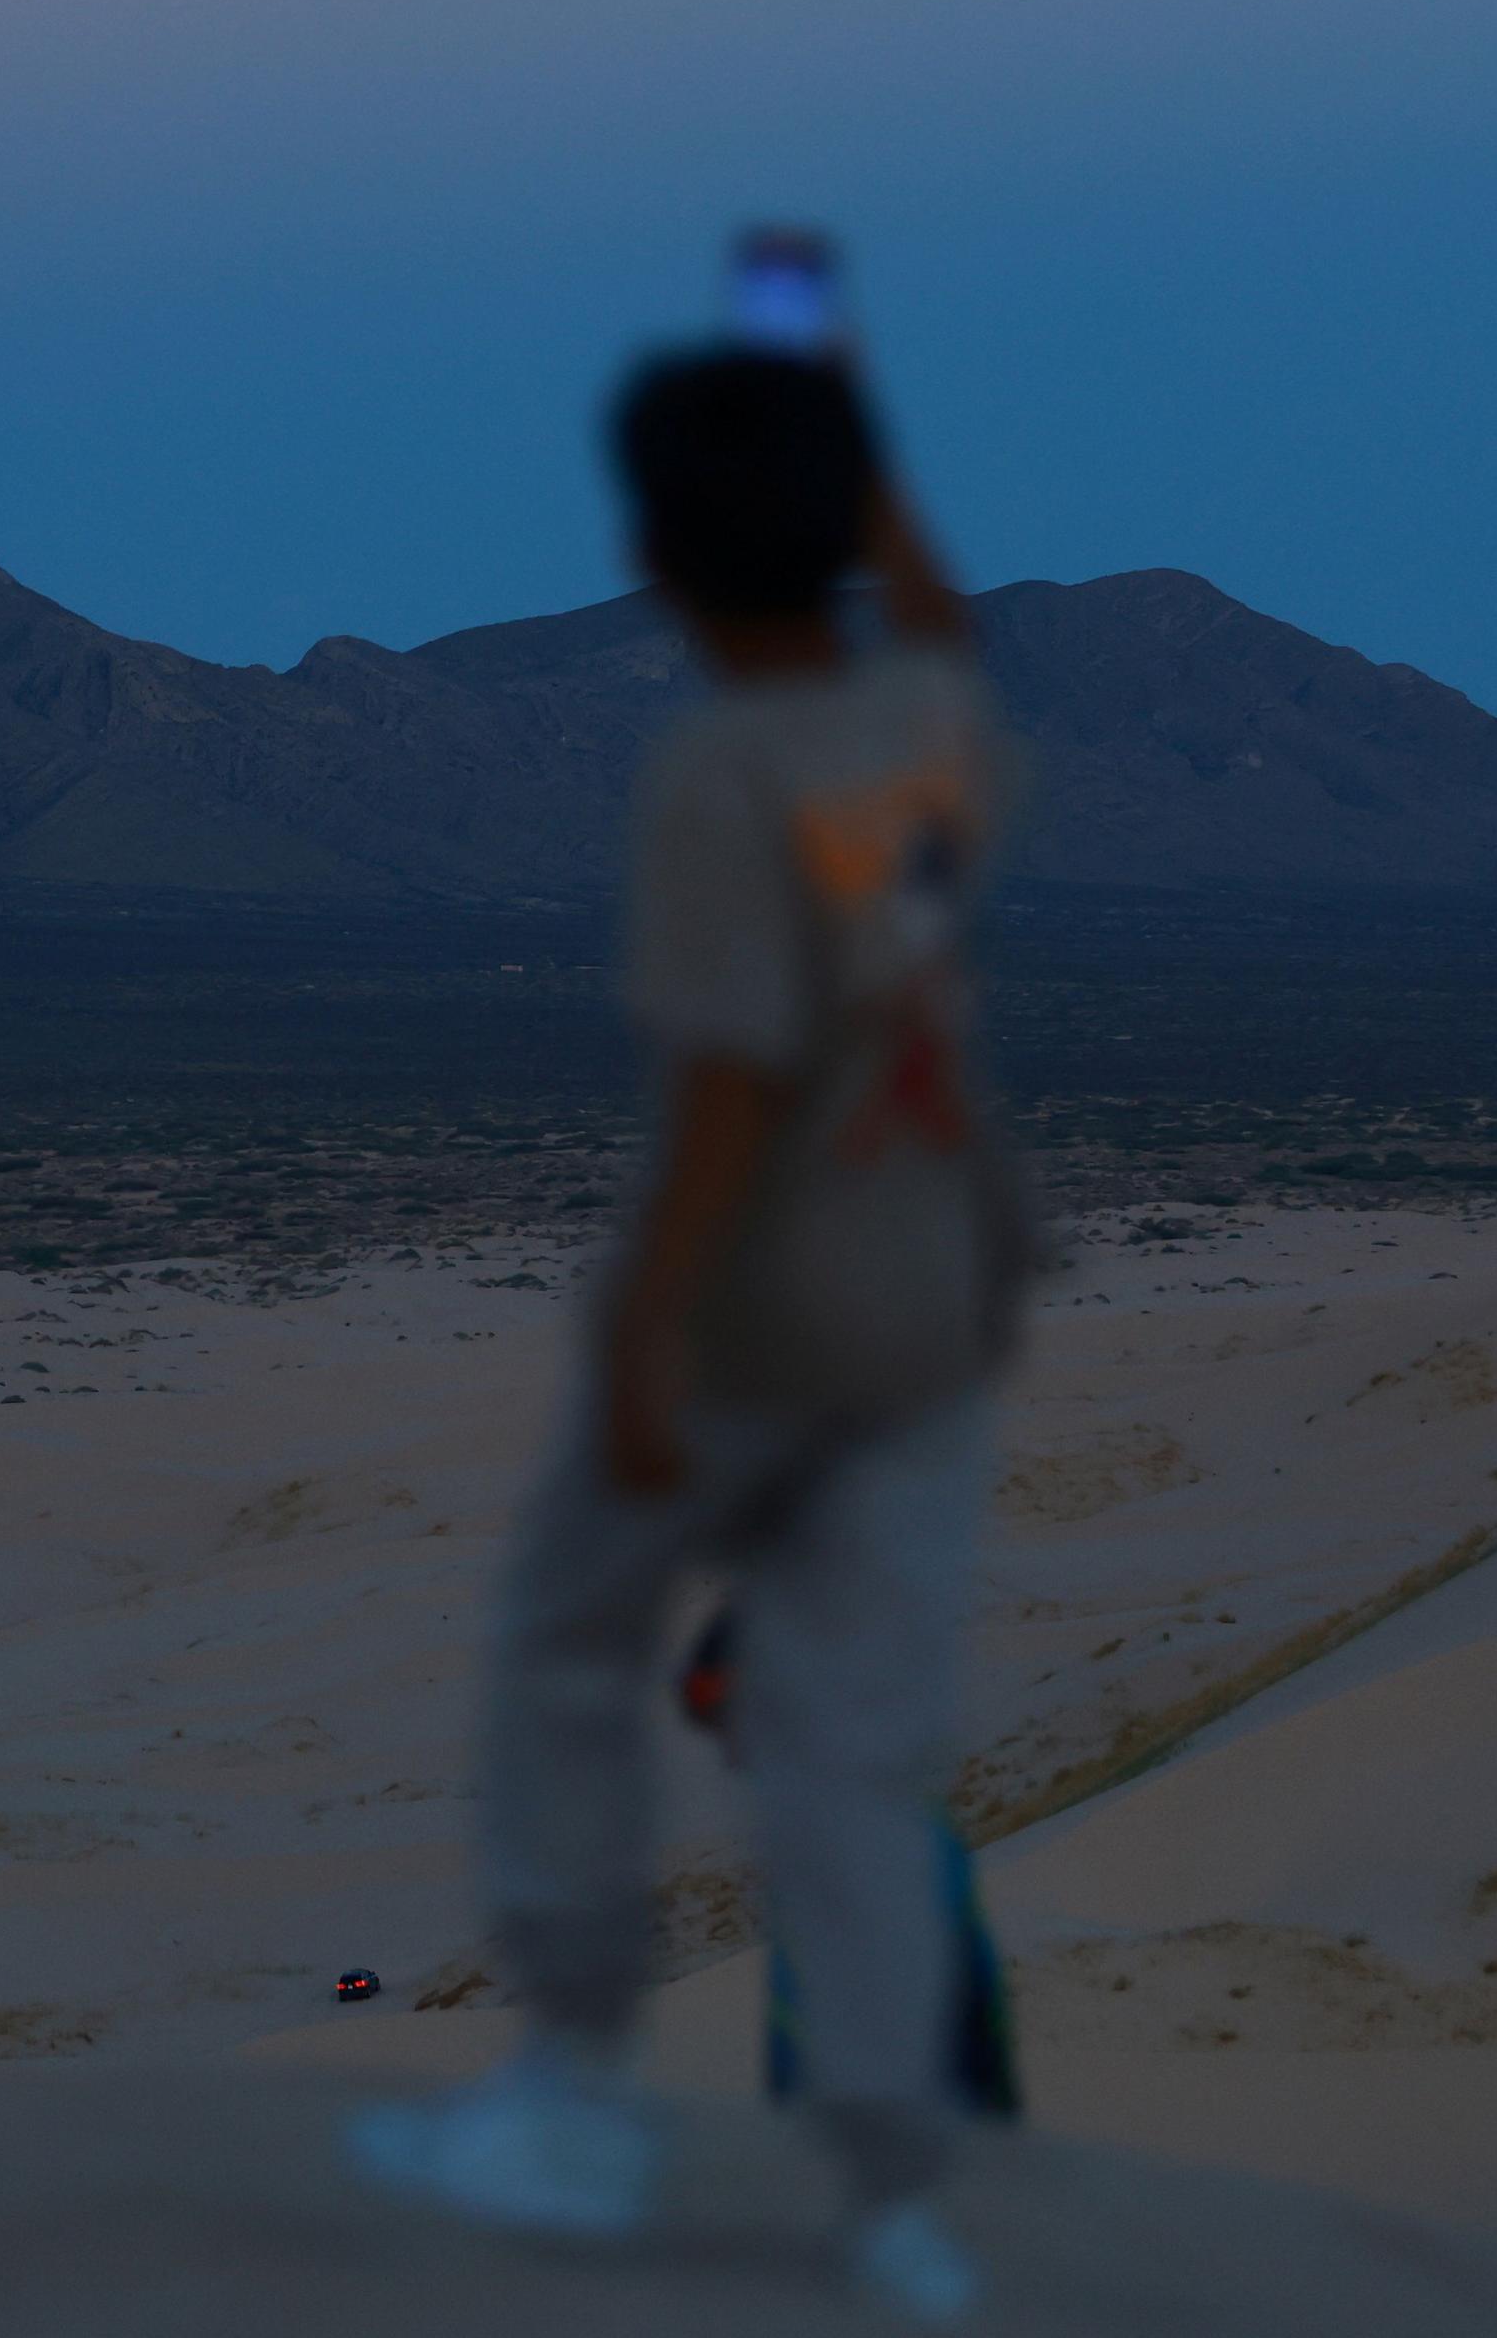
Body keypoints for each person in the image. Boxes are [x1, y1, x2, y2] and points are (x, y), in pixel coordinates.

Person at [346, 310, 1030, 2328]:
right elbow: (928, 602)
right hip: (932, 1291)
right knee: (848, 1754)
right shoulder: (921, 721)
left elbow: (728, 1080)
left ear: (652, 553)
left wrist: (648, 1329)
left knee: (567, 1633)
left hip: (781, 1299)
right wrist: (849, 430)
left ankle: (568, 2081)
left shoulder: (723, 772)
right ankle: (902, 2186)